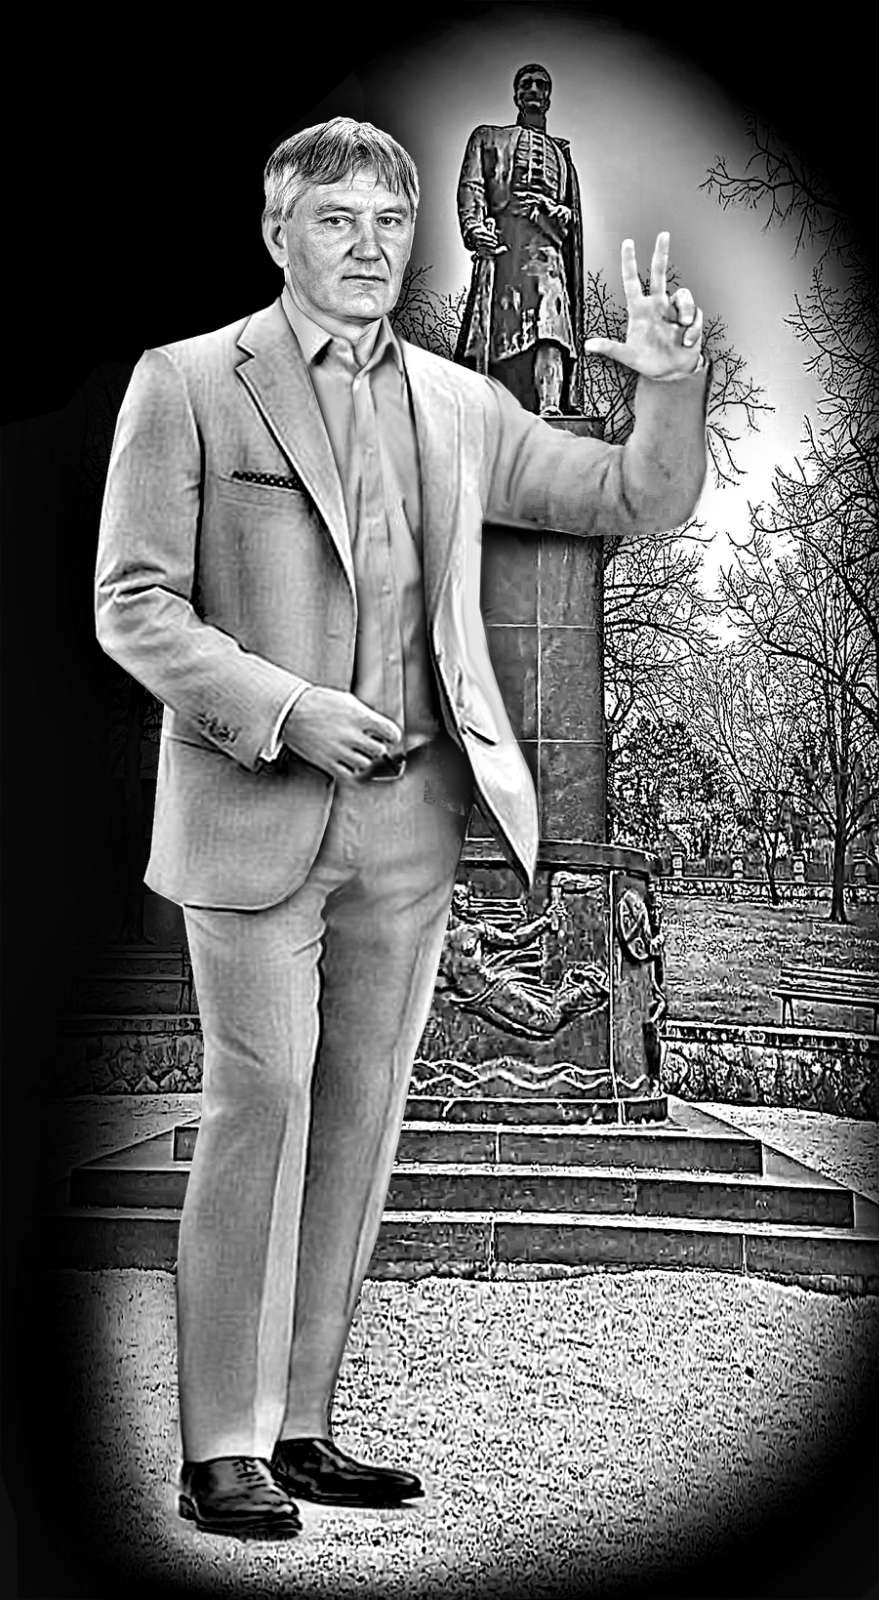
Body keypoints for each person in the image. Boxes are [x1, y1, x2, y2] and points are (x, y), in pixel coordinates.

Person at [94, 115, 710, 1541]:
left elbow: (629, 496)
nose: (368, 245)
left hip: (409, 826)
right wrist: (283, 707)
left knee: (362, 1120)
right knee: (262, 1101)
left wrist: (671, 392)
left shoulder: (457, 404)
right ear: (279, 233)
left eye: (388, 220)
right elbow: (134, 602)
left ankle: (301, 1426)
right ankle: (220, 1443)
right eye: (336, 219)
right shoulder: (188, 383)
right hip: (255, 805)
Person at [454, 62, 584, 414]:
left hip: (548, 251)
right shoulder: (488, 137)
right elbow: (472, 184)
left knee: (552, 323)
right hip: (506, 247)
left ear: (549, 97)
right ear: (516, 94)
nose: (533, 90)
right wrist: (474, 226)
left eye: (541, 84)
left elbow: (571, 215)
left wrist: (557, 212)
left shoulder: (562, 157)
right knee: (500, 333)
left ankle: (551, 408)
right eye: (526, 84)